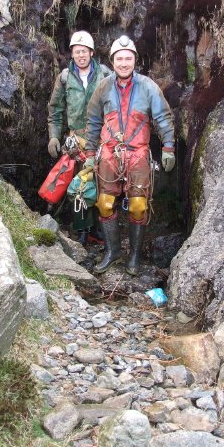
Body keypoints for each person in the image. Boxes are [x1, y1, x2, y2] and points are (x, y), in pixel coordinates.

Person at [84, 35, 176, 276]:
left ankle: (133, 256)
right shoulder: (103, 87)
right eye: (119, 59)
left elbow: (163, 118)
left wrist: (168, 147)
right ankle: (112, 252)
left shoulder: (148, 87)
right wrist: (91, 153)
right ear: (112, 61)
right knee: (104, 203)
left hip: (138, 154)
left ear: (135, 60)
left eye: (128, 58)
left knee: (137, 206)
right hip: (110, 154)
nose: (124, 63)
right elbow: (93, 121)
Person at [47, 31, 110, 244]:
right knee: (79, 186)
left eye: (84, 51)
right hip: (77, 140)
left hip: (102, 138)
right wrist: (54, 137)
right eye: (76, 51)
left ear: (91, 52)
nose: (80, 55)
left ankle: (100, 227)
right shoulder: (64, 78)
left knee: (102, 183)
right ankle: (82, 229)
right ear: (72, 54)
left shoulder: (104, 74)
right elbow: (55, 109)